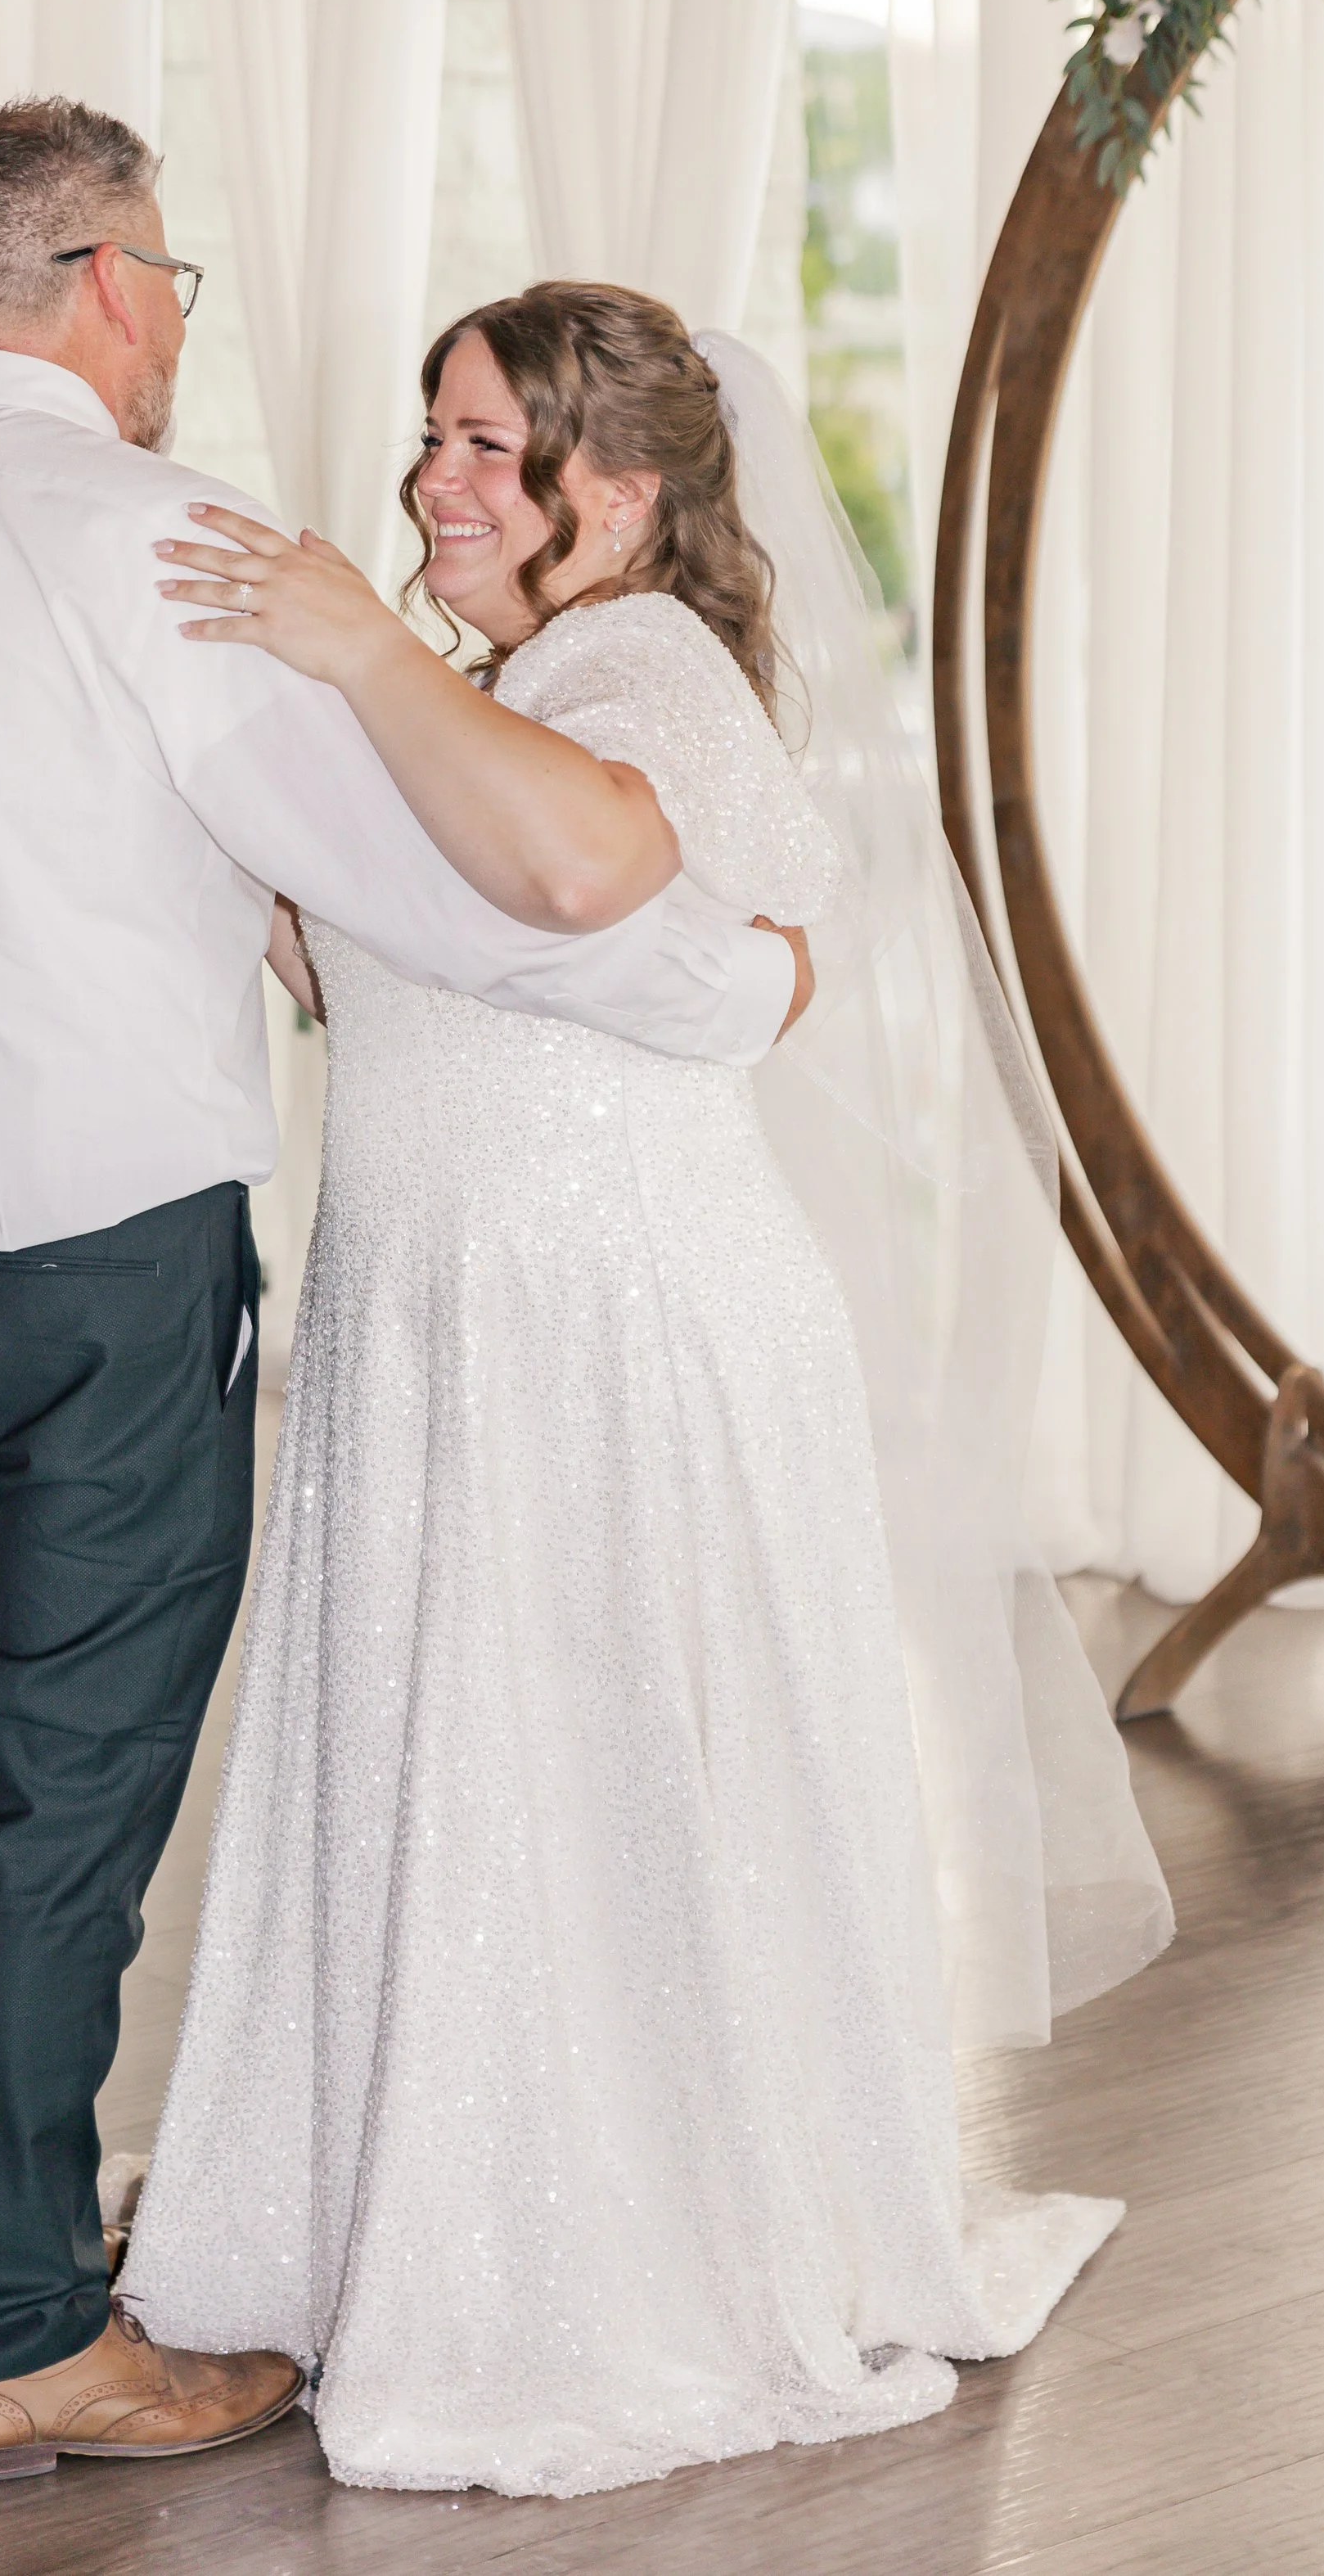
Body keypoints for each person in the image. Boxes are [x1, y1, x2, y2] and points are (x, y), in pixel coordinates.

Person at [0, 111, 807, 2488]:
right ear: (103, 277)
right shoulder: (160, 545)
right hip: (105, 1247)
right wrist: (729, 964)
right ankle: (15, 2321)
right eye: (176, 274)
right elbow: (447, 888)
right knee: (73, 1772)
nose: (184, 319)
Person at [121, 282, 1174, 2497]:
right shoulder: (503, 682)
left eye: (486, 445)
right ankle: (423, 2182)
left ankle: (606, 2245)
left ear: (622, 490)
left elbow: (593, 866)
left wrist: (354, 651)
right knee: (461, 1762)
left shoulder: (633, 666)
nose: (431, 478)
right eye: (433, 434)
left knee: (580, 1764)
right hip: (452, 1307)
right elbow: (436, 950)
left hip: (600, 1322)